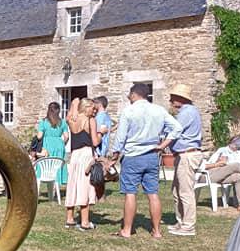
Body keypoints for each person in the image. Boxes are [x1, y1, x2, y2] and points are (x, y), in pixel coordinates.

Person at [107, 83, 182, 238]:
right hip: (152, 155)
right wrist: (162, 145)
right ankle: (157, 231)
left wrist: (114, 157)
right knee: (153, 193)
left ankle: (127, 230)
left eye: (129, 95)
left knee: (130, 193)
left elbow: (120, 137)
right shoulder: (159, 110)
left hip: (133, 156)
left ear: (134, 94)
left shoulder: (129, 111)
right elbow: (177, 128)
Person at [166, 84, 204, 237]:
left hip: (187, 155)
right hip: (182, 155)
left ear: (181, 99)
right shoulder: (187, 111)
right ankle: (181, 221)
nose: (170, 100)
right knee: (176, 190)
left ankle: (188, 225)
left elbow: (175, 129)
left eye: (173, 98)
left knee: (185, 191)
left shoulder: (187, 112)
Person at [63, 97, 100, 229]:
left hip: (74, 155)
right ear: (86, 107)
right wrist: (101, 133)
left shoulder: (72, 119)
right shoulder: (91, 121)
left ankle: (70, 218)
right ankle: (84, 222)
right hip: (85, 154)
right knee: (85, 186)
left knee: (72, 185)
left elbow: (74, 101)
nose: (94, 110)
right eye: (92, 108)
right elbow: (95, 142)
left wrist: (74, 107)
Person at [202, 137, 240, 208]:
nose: (237, 144)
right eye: (236, 142)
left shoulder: (239, 153)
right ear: (231, 142)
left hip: (226, 176)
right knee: (236, 165)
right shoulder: (222, 150)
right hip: (213, 174)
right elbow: (210, 163)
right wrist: (218, 162)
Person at [35, 102, 69, 185]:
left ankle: (49, 182)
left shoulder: (43, 122)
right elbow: (66, 137)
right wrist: (62, 144)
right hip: (59, 145)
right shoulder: (62, 122)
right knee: (56, 165)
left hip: (47, 145)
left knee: (47, 165)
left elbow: (39, 136)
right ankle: (56, 184)